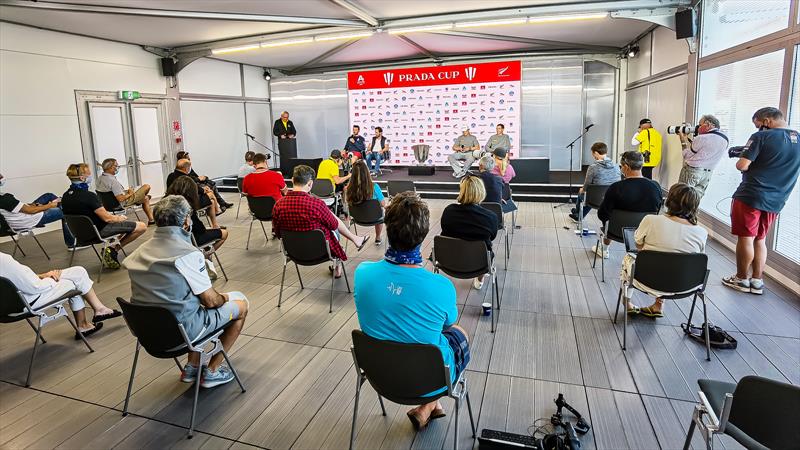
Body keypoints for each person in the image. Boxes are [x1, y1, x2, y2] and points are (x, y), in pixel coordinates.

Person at [354, 192, 469, 430]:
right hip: (430, 380)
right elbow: (448, 324)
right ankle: (429, 404)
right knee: (459, 334)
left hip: (378, 374)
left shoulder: (362, 273)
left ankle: (429, 407)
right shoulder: (440, 286)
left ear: (386, 226)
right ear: (424, 233)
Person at [123, 195, 248, 388]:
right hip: (182, 333)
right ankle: (213, 371)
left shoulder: (138, 252)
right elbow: (211, 301)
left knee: (191, 304)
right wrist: (225, 297)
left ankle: (192, 366)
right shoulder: (187, 254)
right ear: (186, 220)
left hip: (146, 332)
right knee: (240, 305)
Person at [723, 107, 800, 295]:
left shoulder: (760, 137)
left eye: (758, 125)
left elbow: (742, 165)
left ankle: (741, 279)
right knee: (760, 239)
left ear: (766, 121)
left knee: (746, 237)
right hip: (778, 198)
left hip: (751, 195)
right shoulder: (798, 138)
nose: (758, 129)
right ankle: (757, 281)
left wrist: (746, 155)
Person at [620, 183, 708, 318]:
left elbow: (638, 245)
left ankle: (627, 303)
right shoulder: (702, 232)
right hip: (683, 285)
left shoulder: (651, 220)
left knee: (629, 258)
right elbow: (696, 257)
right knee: (674, 261)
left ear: (669, 201)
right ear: (695, 206)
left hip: (645, 280)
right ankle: (658, 305)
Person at [271, 165, 369, 278]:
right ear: (310, 184)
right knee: (332, 224)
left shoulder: (278, 205)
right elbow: (333, 225)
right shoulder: (316, 204)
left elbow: (278, 233)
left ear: (292, 180)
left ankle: (355, 240)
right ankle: (342, 260)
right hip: (321, 252)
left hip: (293, 252)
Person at [0, 252, 122, 338]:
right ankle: (91, 318)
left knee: (78, 272)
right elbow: (34, 287)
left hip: (6, 308)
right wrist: (52, 279)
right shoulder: (3, 259)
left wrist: (43, 275)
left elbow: (17, 279)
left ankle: (95, 314)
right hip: (29, 301)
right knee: (76, 280)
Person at [61, 163, 146, 269]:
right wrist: (120, 218)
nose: (91, 177)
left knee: (124, 226)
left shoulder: (65, 197)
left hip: (80, 235)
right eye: (89, 174)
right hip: (100, 231)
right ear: (83, 178)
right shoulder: (89, 196)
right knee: (141, 226)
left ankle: (112, 246)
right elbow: (108, 218)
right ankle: (114, 249)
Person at [595, 151, 663, 259]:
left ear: (626, 167)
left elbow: (602, 214)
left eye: (621, 166)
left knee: (608, 220)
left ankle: (604, 249)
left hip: (615, 232)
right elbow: (657, 212)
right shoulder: (655, 187)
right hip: (644, 234)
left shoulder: (615, 188)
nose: (621, 169)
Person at [440, 174, 498, 289]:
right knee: (486, 248)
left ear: (462, 191)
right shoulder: (490, 217)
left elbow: (445, 230)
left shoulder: (448, 211)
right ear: (481, 191)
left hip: (448, 260)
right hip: (478, 263)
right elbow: (492, 237)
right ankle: (479, 279)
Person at [166, 176, 228, 280]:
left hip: (173, 241)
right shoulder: (187, 207)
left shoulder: (166, 203)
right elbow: (200, 229)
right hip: (192, 239)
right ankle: (204, 256)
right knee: (224, 233)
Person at [0, 173, 74, 248]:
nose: (2, 177)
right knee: (66, 210)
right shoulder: (5, 199)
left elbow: (20, 207)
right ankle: (72, 244)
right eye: (0, 176)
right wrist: (49, 206)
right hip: (29, 219)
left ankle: (61, 204)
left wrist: (36, 205)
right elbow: (31, 211)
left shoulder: (4, 198)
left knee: (48, 196)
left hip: (18, 218)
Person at [678, 114, 729, 197]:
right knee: (695, 199)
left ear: (708, 125)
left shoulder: (702, 138)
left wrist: (683, 140)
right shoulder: (725, 138)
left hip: (693, 172)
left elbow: (686, 155)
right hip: (707, 174)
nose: (698, 128)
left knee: (682, 196)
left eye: (700, 125)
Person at [569, 142, 621, 222]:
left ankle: (578, 215)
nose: (593, 156)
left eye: (593, 153)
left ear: (596, 153)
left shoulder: (593, 167)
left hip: (596, 199)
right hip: (613, 199)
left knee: (582, 192)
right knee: (592, 193)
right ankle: (577, 213)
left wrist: (582, 190)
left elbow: (587, 184)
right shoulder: (616, 165)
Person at [95, 158, 155, 224]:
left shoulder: (100, 178)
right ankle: (139, 200)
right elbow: (121, 199)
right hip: (121, 203)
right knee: (146, 186)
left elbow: (110, 192)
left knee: (145, 198)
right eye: (116, 166)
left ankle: (151, 220)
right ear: (110, 167)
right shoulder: (112, 181)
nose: (117, 167)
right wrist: (130, 193)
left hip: (107, 205)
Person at [167, 159, 223, 229]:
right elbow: (194, 190)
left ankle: (216, 219)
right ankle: (216, 219)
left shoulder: (170, 176)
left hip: (173, 202)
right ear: (186, 168)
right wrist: (203, 190)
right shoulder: (186, 178)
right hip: (188, 203)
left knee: (211, 201)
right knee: (210, 197)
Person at [345, 160, 386, 245]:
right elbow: (383, 204)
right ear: (367, 172)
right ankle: (378, 237)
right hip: (374, 218)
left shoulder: (348, 188)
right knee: (379, 211)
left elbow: (347, 201)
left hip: (357, 218)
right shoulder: (374, 187)